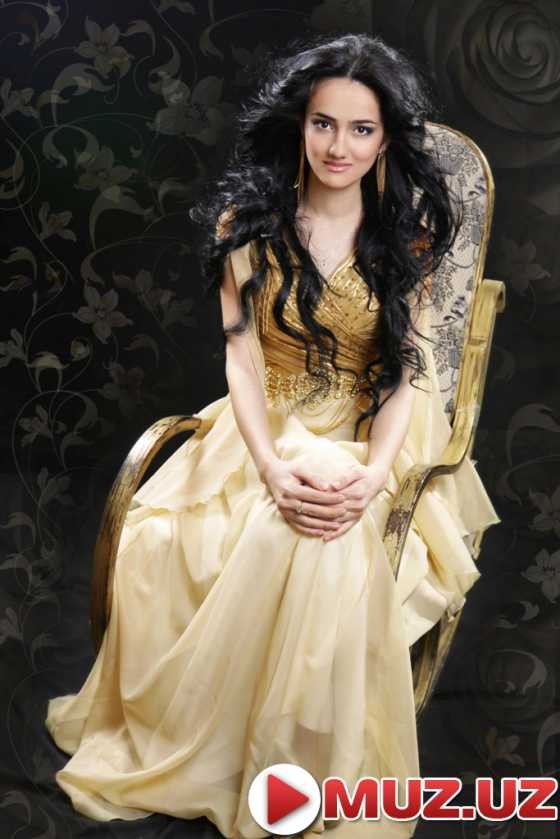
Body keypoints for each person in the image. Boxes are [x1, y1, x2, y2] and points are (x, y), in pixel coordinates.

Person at [45, 32, 500, 839]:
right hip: (261, 425)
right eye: (324, 123)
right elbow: (243, 360)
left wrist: (374, 474)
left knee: (324, 514)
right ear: (300, 124)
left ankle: (295, 764)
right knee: (176, 529)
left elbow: (406, 376)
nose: (339, 146)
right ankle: (222, 752)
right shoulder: (248, 224)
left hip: (370, 430)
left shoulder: (407, 236)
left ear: (384, 139)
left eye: (361, 129)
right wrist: (268, 464)